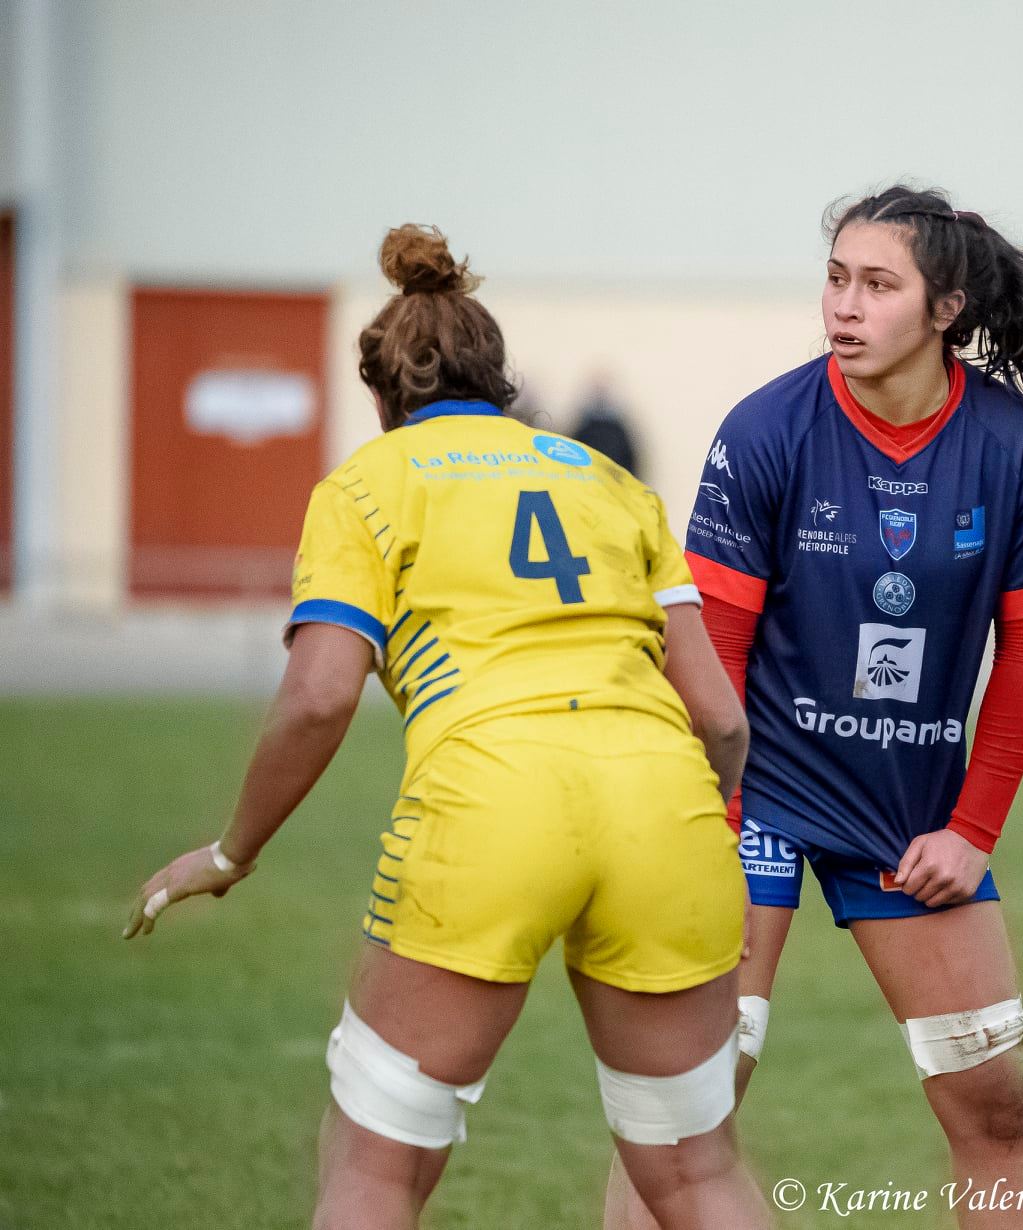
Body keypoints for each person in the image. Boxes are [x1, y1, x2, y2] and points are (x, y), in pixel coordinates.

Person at [124, 224, 770, 1230]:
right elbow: (721, 721)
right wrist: (691, 829)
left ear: (383, 401)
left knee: (376, 1173)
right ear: (498, 377)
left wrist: (230, 851)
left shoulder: (368, 485)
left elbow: (320, 696)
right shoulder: (612, 483)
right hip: (663, 801)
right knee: (696, 1175)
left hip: (490, 802)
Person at [607, 185, 1023, 1230]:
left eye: (876, 285)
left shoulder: (1011, 446)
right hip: (754, 800)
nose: (843, 308)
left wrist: (971, 830)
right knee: (686, 1116)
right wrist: (709, 836)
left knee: (995, 1114)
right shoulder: (767, 429)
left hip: (910, 818)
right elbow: (711, 655)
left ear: (945, 308)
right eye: (835, 279)